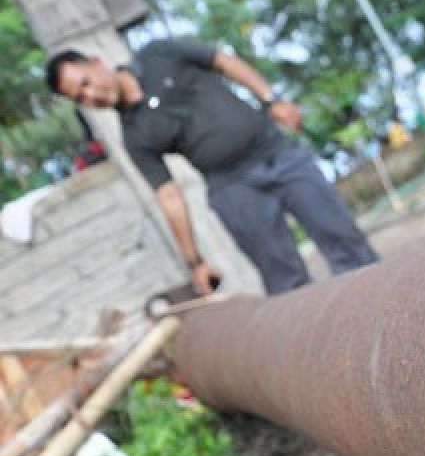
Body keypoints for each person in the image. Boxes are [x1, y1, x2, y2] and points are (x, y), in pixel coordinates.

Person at [45, 40, 379, 295]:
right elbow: (169, 196)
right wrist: (195, 262)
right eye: (80, 98)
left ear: (96, 63)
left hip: (276, 153)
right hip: (232, 188)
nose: (90, 96)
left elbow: (223, 60)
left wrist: (270, 99)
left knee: (346, 243)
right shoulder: (134, 137)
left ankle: (385, 311)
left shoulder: (159, 54)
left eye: (85, 82)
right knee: (286, 281)